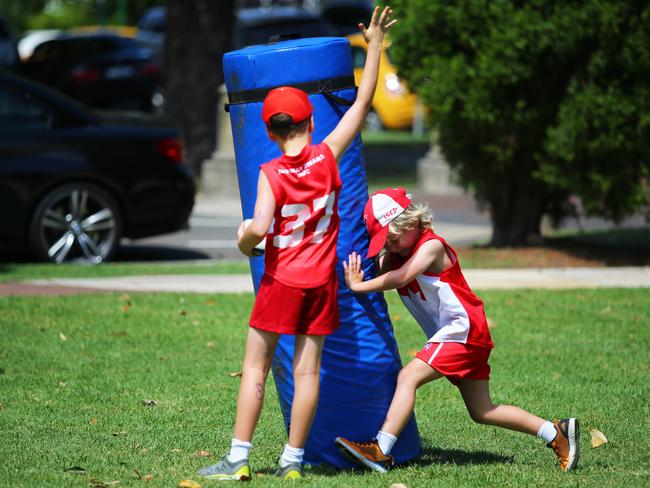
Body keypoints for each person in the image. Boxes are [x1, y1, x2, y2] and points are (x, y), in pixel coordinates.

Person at [198, 6, 397, 481]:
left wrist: (243, 238)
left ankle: (238, 459)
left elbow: (258, 231)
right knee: (309, 372)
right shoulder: (328, 156)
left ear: (268, 131)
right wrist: (372, 47)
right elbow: (362, 102)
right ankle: (293, 461)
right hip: (321, 283)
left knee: (256, 368)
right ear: (312, 124)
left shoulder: (270, 173)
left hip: (282, 282)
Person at [335, 188, 580, 473]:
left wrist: (358, 286)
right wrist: (381, 253)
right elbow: (387, 266)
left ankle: (380, 449)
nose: (389, 246)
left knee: (408, 376)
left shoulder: (432, 246)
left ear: (412, 223)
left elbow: (400, 277)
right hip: (464, 335)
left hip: (461, 330)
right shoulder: (399, 251)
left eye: (391, 239)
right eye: (385, 242)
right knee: (482, 410)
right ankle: (557, 433)